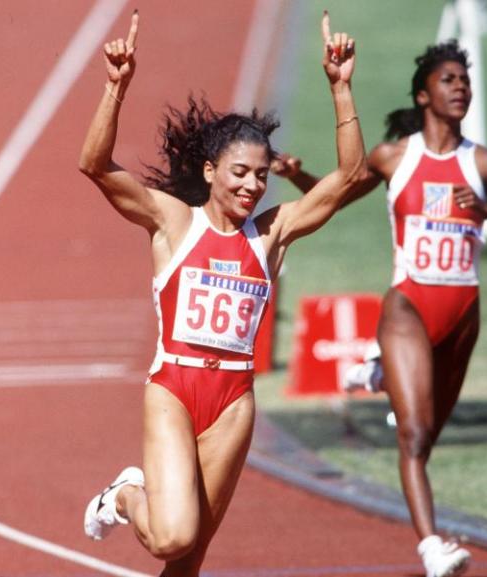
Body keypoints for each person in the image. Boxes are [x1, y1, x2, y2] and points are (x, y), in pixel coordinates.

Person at [78, 10, 366, 576]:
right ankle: (126, 495)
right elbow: (95, 165)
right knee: (171, 537)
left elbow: (349, 179)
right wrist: (116, 86)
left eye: (261, 175)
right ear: (210, 171)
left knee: (188, 562)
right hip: (175, 388)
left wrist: (341, 89)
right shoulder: (174, 223)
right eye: (239, 172)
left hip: (233, 399)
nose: (251, 185)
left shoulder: (272, 233)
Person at [276, 40, 487, 577]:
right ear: (424, 94)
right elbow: (337, 197)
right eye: (449, 80)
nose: (460, 88)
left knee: (430, 434)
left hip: (463, 313)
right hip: (409, 307)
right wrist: (297, 177)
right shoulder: (396, 157)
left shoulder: (485, 164)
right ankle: (432, 547)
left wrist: (486, 210)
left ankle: (380, 372)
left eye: (463, 80)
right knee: (413, 435)